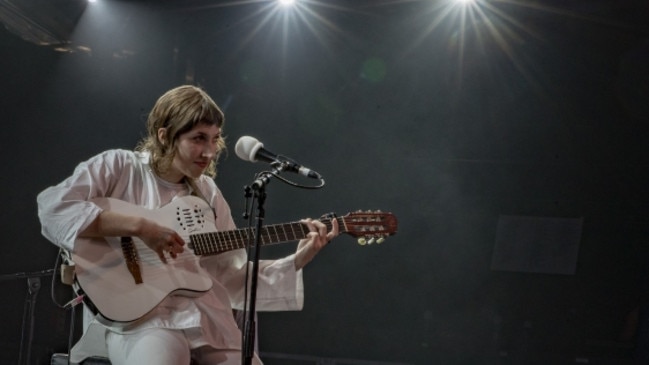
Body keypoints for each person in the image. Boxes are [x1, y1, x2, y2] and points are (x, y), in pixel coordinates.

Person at [37, 85, 338, 365]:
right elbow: (54, 208)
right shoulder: (119, 166)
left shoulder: (207, 192)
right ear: (165, 136)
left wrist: (297, 260)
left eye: (214, 138)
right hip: (140, 320)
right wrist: (141, 227)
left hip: (206, 318)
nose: (209, 151)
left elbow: (229, 273)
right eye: (198, 138)